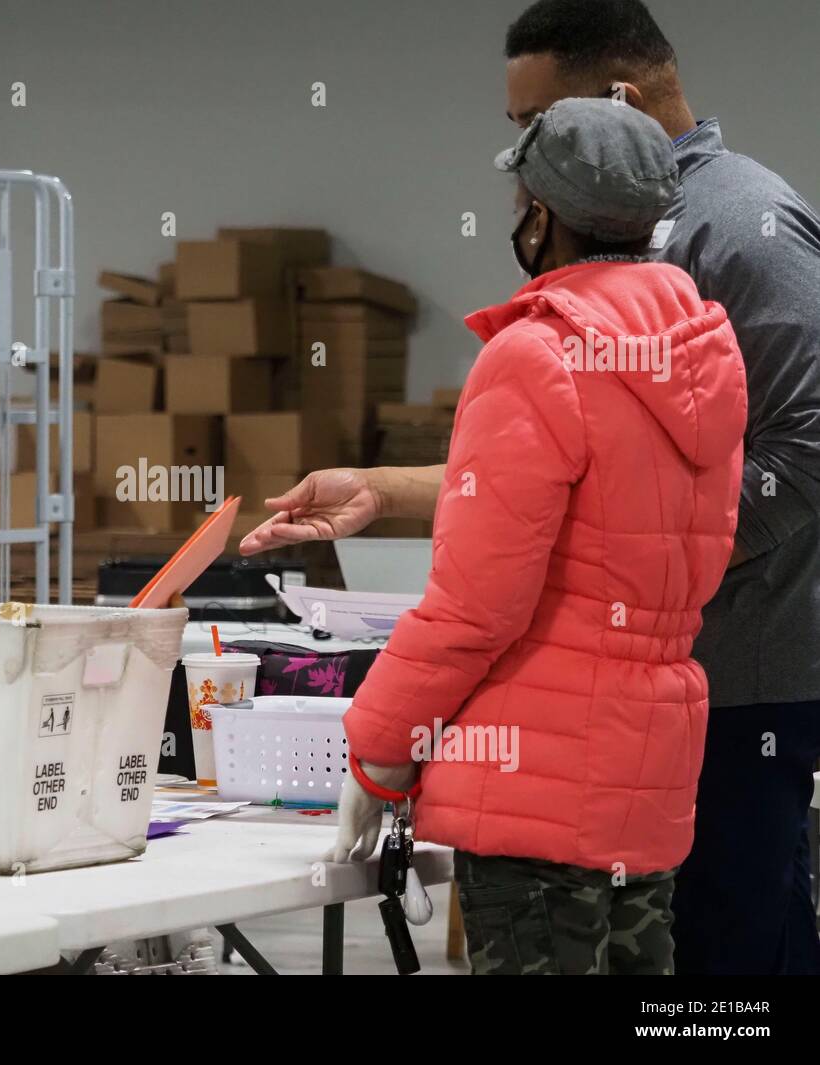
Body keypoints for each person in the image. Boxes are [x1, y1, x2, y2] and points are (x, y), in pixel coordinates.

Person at [243, 0, 820, 977]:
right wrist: (384, 489)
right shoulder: (686, 325)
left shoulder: (738, 232)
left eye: (530, 134)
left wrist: (379, 753)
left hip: (719, 703)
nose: (520, 169)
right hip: (658, 732)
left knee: (739, 960)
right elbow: (585, 492)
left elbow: (803, 454)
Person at [304, 98, 746, 974]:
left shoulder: (537, 355)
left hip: (534, 794)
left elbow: (475, 606)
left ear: (541, 216)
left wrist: (379, 754)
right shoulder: (703, 354)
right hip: (647, 785)